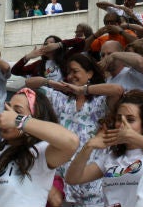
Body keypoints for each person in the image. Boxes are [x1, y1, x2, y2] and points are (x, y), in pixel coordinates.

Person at [25, 54, 124, 206]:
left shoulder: (100, 102)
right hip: (62, 187)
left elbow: (117, 90)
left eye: (74, 71)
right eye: (68, 72)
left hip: (92, 185)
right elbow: (29, 84)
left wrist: (83, 90)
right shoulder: (61, 100)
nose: (70, 76)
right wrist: (52, 82)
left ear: (89, 73)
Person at [65, 90, 143, 207]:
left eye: (130, 120)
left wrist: (134, 138)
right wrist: (88, 146)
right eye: (119, 119)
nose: (122, 124)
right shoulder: (111, 157)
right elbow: (73, 178)